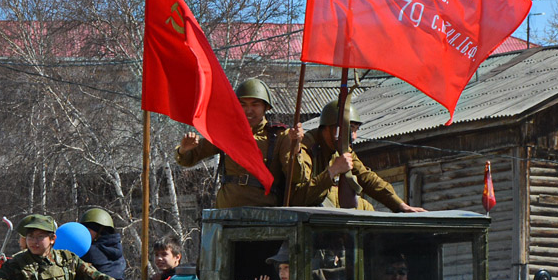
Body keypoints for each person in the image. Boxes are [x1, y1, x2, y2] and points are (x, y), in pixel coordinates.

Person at [278, 99, 425, 212]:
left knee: (366, 210)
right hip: (302, 217)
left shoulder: (343, 149)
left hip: (324, 216)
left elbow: (367, 178)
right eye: (349, 129)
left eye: (355, 130)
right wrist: (332, 171)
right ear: (329, 128)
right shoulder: (307, 146)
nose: (353, 137)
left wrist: (400, 205)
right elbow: (299, 197)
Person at [175, 78, 285, 208]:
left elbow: (296, 177)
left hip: (265, 211)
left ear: (266, 107)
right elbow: (189, 159)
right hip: (228, 209)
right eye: (243, 105)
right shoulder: (227, 134)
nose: (248, 110)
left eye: (255, 104)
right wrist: (183, 150)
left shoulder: (279, 136)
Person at [0, 214, 126, 280]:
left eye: (40, 237)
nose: (34, 241)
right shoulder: (19, 263)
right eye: (30, 237)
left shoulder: (67, 259)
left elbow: (97, 278)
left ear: (52, 239)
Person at [80, 208, 127, 280]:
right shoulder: (118, 250)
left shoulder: (90, 251)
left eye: (87, 229)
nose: (83, 232)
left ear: (97, 230)